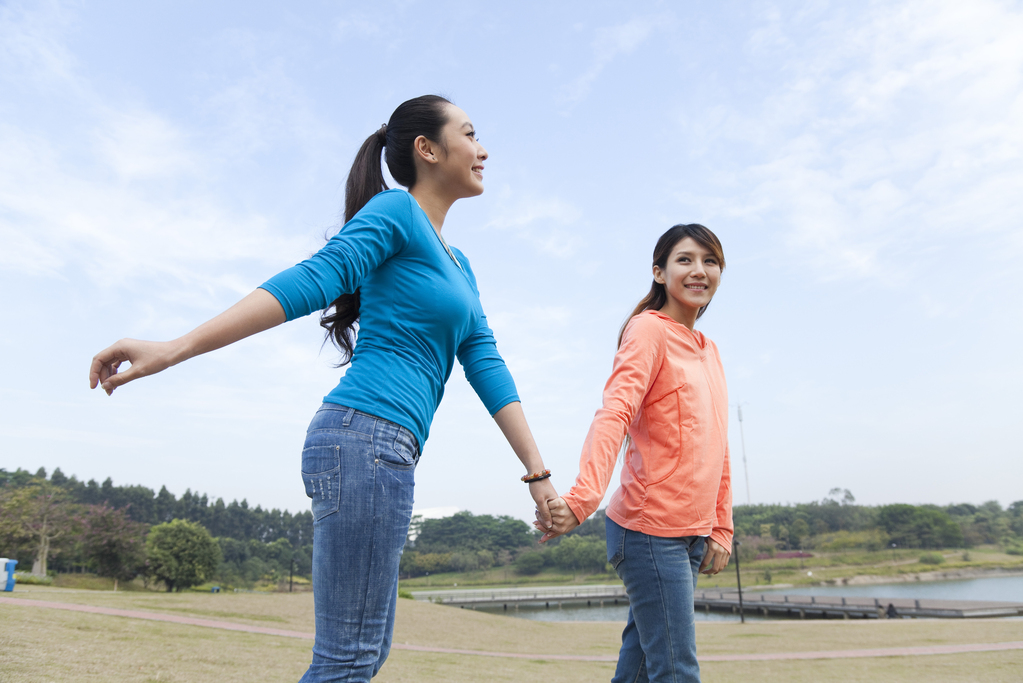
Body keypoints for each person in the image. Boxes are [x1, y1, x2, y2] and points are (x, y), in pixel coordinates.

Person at [89, 95, 557, 682]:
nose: (483, 148)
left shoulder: (458, 264)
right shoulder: (396, 212)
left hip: (386, 449)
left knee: (362, 656)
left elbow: (486, 364)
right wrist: (177, 346)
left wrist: (538, 477)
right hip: (363, 440)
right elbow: (318, 276)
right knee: (348, 660)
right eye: (470, 134)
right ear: (428, 149)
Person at [539, 224, 733, 683]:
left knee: (642, 667)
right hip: (649, 531)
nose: (698, 270)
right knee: (677, 670)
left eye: (710, 261)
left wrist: (721, 526)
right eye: (684, 260)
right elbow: (615, 413)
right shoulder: (648, 330)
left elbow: (717, 444)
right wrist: (582, 498)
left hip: (691, 534)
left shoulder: (710, 350)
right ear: (659, 272)